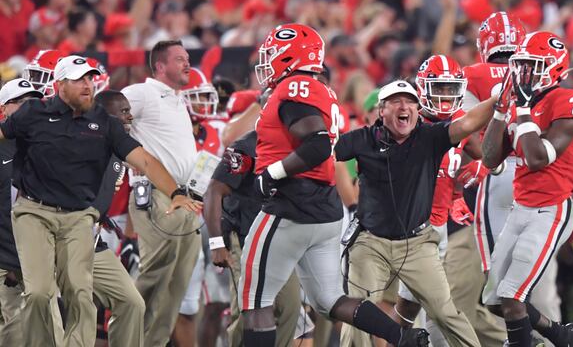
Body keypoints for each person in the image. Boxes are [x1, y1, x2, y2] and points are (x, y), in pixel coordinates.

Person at [238, 23, 429, 347]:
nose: (268, 60)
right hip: (325, 211)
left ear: (290, 55)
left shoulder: (295, 87)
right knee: (330, 300)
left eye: (274, 53)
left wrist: (273, 174)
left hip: (289, 207)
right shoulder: (321, 89)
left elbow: (317, 144)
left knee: (255, 302)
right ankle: (403, 337)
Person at [0, 55, 200, 347]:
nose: (87, 85)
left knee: (94, 297)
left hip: (80, 221)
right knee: (40, 295)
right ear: (60, 85)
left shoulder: (105, 125)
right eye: (79, 79)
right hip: (35, 218)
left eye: (89, 79)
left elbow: (144, 159)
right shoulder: (31, 119)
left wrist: (175, 192)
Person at [337, 67, 500, 347]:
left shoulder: (430, 136)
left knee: (446, 313)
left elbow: (468, 123)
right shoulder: (360, 139)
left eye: (410, 101)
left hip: (417, 242)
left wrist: (497, 101)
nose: (404, 107)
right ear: (382, 111)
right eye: (396, 102)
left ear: (418, 108)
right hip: (370, 241)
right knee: (360, 313)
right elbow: (323, 154)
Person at [481, 31, 573, 347]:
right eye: (521, 65)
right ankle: (559, 334)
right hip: (521, 207)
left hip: (552, 208)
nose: (523, 73)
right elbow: (489, 158)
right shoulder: (518, 104)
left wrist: (523, 110)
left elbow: (539, 157)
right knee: (495, 300)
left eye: (531, 66)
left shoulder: (569, 99)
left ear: (554, 68)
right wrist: (501, 111)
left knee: (513, 296)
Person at [391, 54, 483, 346]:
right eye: (439, 88)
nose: (445, 96)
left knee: (410, 307)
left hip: (440, 222)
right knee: (440, 307)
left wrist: (471, 173)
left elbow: (482, 156)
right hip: (413, 225)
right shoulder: (405, 121)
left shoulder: (459, 121)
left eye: (449, 88)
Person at [121, 40, 204, 347]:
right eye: (180, 59)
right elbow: (110, 109)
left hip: (187, 199)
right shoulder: (143, 93)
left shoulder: (177, 99)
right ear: (159, 66)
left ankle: (152, 343)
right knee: (154, 276)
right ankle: (125, 338)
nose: (187, 64)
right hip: (157, 196)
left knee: (176, 287)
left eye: (188, 58)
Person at [205, 130, 302, 347]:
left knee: (290, 307)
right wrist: (216, 242)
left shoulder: (299, 144)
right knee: (246, 311)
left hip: (281, 240)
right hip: (245, 237)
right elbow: (213, 192)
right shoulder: (246, 147)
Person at [463, 11, 525, 273]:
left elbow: (464, 130)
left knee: (496, 271)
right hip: (532, 169)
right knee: (530, 269)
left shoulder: (473, 74)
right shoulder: (534, 70)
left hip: (492, 171)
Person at [174, 67, 225, 347]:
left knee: (219, 299)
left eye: (206, 96)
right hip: (184, 218)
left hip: (213, 216)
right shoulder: (171, 134)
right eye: (197, 97)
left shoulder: (216, 129)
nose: (204, 103)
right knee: (187, 302)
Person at [92, 90, 147, 347]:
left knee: (131, 302)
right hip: (65, 235)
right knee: (71, 305)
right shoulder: (83, 144)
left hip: (95, 238)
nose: (130, 116)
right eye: (123, 111)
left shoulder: (120, 147)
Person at [0, 78, 44, 345]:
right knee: (13, 328)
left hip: (39, 253)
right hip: (4, 256)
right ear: (4, 109)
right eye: (21, 102)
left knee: (50, 323)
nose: (30, 108)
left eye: (34, 102)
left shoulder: (46, 145)